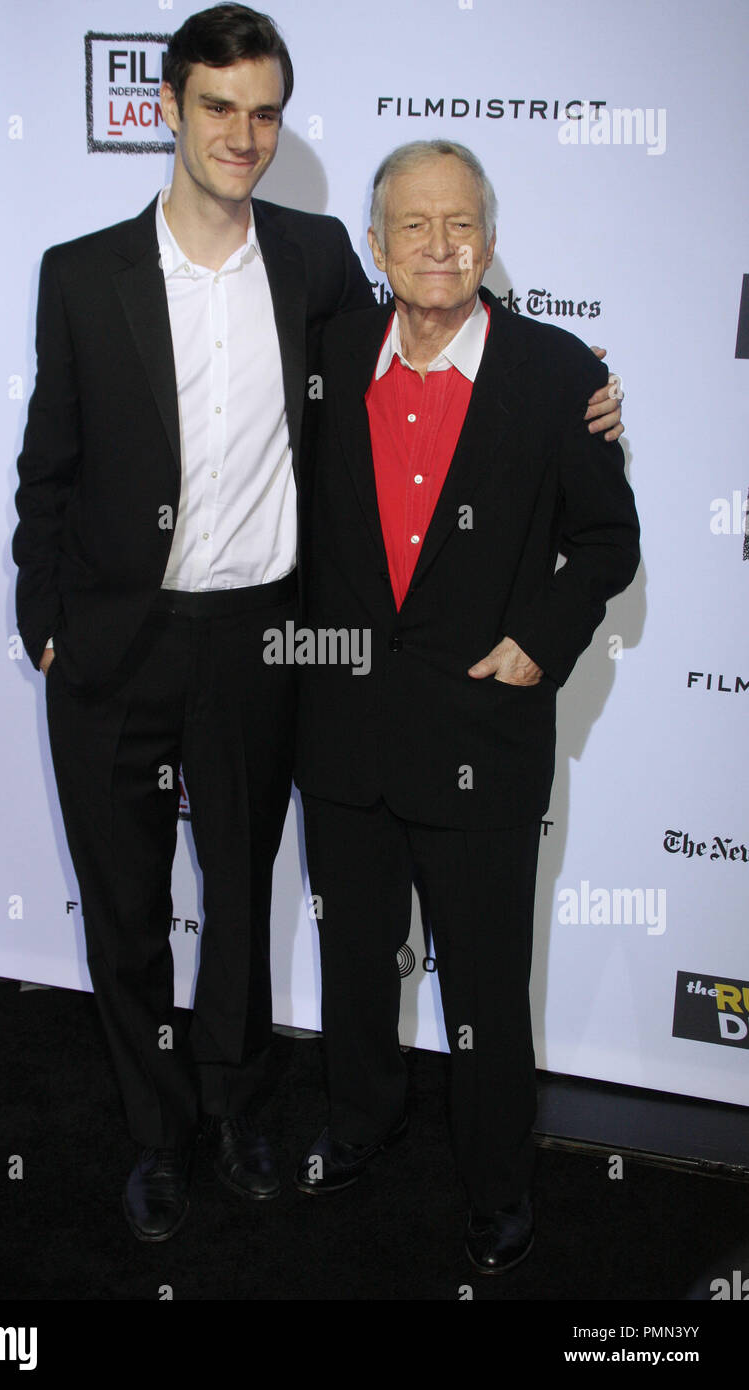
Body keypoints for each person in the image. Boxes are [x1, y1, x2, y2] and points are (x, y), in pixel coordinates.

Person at [13, 3, 623, 1243]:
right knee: (124, 911)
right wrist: (43, 612)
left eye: (264, 111)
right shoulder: (79, 275)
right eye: (219, 107)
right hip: (113, 647)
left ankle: (238, 1113)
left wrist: (588, 397)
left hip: (260, 644)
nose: (243, 133)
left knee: (239, 904)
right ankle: (154, 1133)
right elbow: (49, 466)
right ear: (168, 109)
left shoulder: (314, 269)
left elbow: (470, 358)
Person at [293, 139, 640, 1276]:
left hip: (480, 739)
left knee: (483, 980)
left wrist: (539, 643)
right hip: (341, 729)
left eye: (461, 224)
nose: (438, 247)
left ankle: (496, 1185)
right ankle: (359, 1122)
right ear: (375, 244)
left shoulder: (552, 375)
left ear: (488, 238)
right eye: (413, 226)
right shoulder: (328, 352)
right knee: (354, 958)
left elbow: (604, 542)